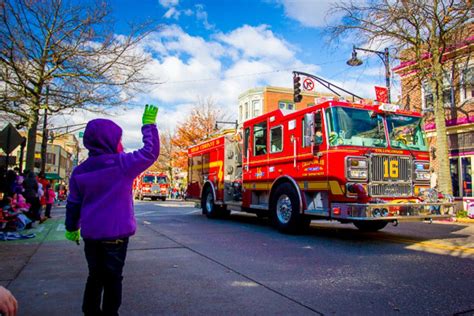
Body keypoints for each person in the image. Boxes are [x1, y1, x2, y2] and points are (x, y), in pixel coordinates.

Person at [65, 105, 160, 316]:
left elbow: (73, 203)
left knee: (94, 277)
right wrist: (148, 125)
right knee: (113, 278)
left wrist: (71, 227)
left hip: (91, 237)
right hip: (115, 237)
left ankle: (90, 312)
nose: (122, 144)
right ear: (109, 141)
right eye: (119, 140)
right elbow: (150, 152)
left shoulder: (80, 171)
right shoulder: (122, 164)